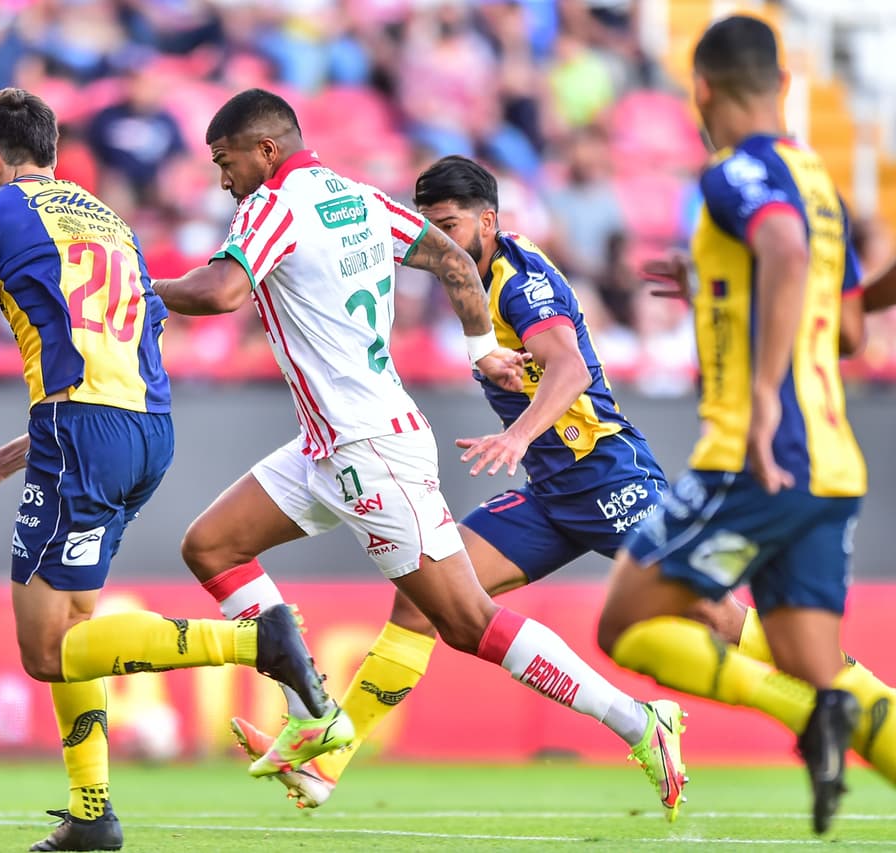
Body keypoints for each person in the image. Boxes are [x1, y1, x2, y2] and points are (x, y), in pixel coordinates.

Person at [145, 88, 684, 807]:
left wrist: (139, 289)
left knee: (466, 622)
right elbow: (459, 267)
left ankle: (638, 721)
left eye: (226, 160)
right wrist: (482, 350)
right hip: (324, 445)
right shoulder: (360, 199)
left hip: (370, 449)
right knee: (210, 545)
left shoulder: (271, 205)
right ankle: (314, 713)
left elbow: (219, 293)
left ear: (265, 151)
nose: (223, 177)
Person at [0, 87, 350, 853]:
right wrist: (9, 456)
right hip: (143, 431)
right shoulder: (112, 223)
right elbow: (117, 366)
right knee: (78, 625)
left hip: (81, 431)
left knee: (43, 649)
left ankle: (259, 642)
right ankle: (93, 813)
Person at [594, 16, 890, 835]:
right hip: (832, 466)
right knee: (816, 665)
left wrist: (762, 394)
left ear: (702, 89)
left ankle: (809, 718)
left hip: (756, 456)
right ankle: (822, 710)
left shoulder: (737, 171)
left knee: (625, 624)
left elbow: (785, 251)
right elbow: (854, 326)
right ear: (785, 84)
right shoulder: (818, 180)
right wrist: (719, 291)